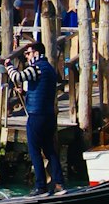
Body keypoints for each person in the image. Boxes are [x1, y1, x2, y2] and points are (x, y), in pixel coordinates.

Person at [5, 40, 65, 195]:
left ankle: (41, 186)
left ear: (37, 53)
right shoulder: (50, 69)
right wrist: (25, 93)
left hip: (37, 116)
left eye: (28, 53)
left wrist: (8, 66)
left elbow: (17, 77)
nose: (26, 56)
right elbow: (42, 89)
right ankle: (59, 183)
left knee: (35, 152)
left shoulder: (36, 68)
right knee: (50, 150)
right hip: (49, 116)